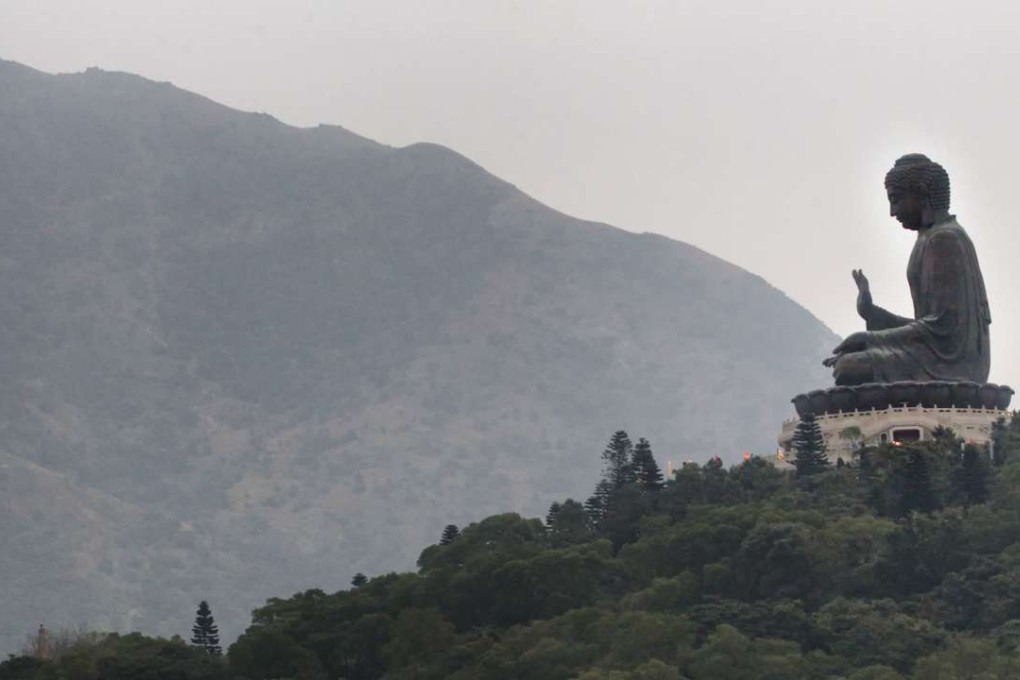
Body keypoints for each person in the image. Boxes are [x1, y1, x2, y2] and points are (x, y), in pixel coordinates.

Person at [824, 154, 990, 386]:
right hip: (933, 354)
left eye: (896, 200)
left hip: (952, 365)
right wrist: (873, 314)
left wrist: (870, 338)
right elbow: (928, 325)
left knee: (848, 368)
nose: (892, 212)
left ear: (921, 193)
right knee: (848, 365)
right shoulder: (929, 237)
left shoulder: (945, 239)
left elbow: (942, 330)